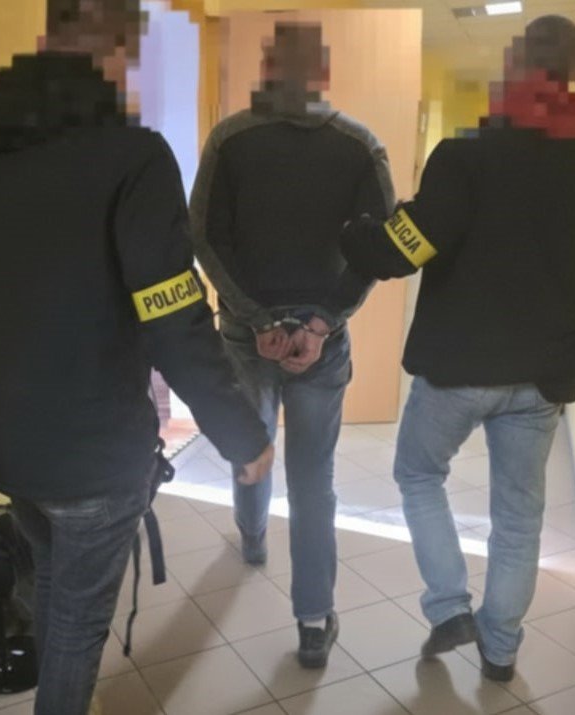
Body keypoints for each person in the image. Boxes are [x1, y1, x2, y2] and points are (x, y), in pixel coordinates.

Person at [0, 1, 273, 713]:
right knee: (78, 627)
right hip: (91, 452)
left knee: (54, 582)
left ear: (48, 35)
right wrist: (242, 432)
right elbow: (173, 316)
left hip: (5, 440)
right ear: (119, 45)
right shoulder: (132, 154)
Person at [339, 15, 575, 681]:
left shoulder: (464, 158)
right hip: (543, 381)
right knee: (519, 520)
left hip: (456, 371)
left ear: (512, 71)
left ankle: (449, 606)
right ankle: (500, 652)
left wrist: (355, 233)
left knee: (419, 474)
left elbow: (404, 249)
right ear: (572, 77)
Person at [189, 21, 395, 668]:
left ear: (267, 68)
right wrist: (321, 323)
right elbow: (378, 248)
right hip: (318, 340)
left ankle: (252, 537)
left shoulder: (230, 139)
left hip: (246, 335)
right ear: (323, 72)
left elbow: (204, 236)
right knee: (313, 479)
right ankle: (312, 621)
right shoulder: (359, 145)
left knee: (250, 445)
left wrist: (255, 319)